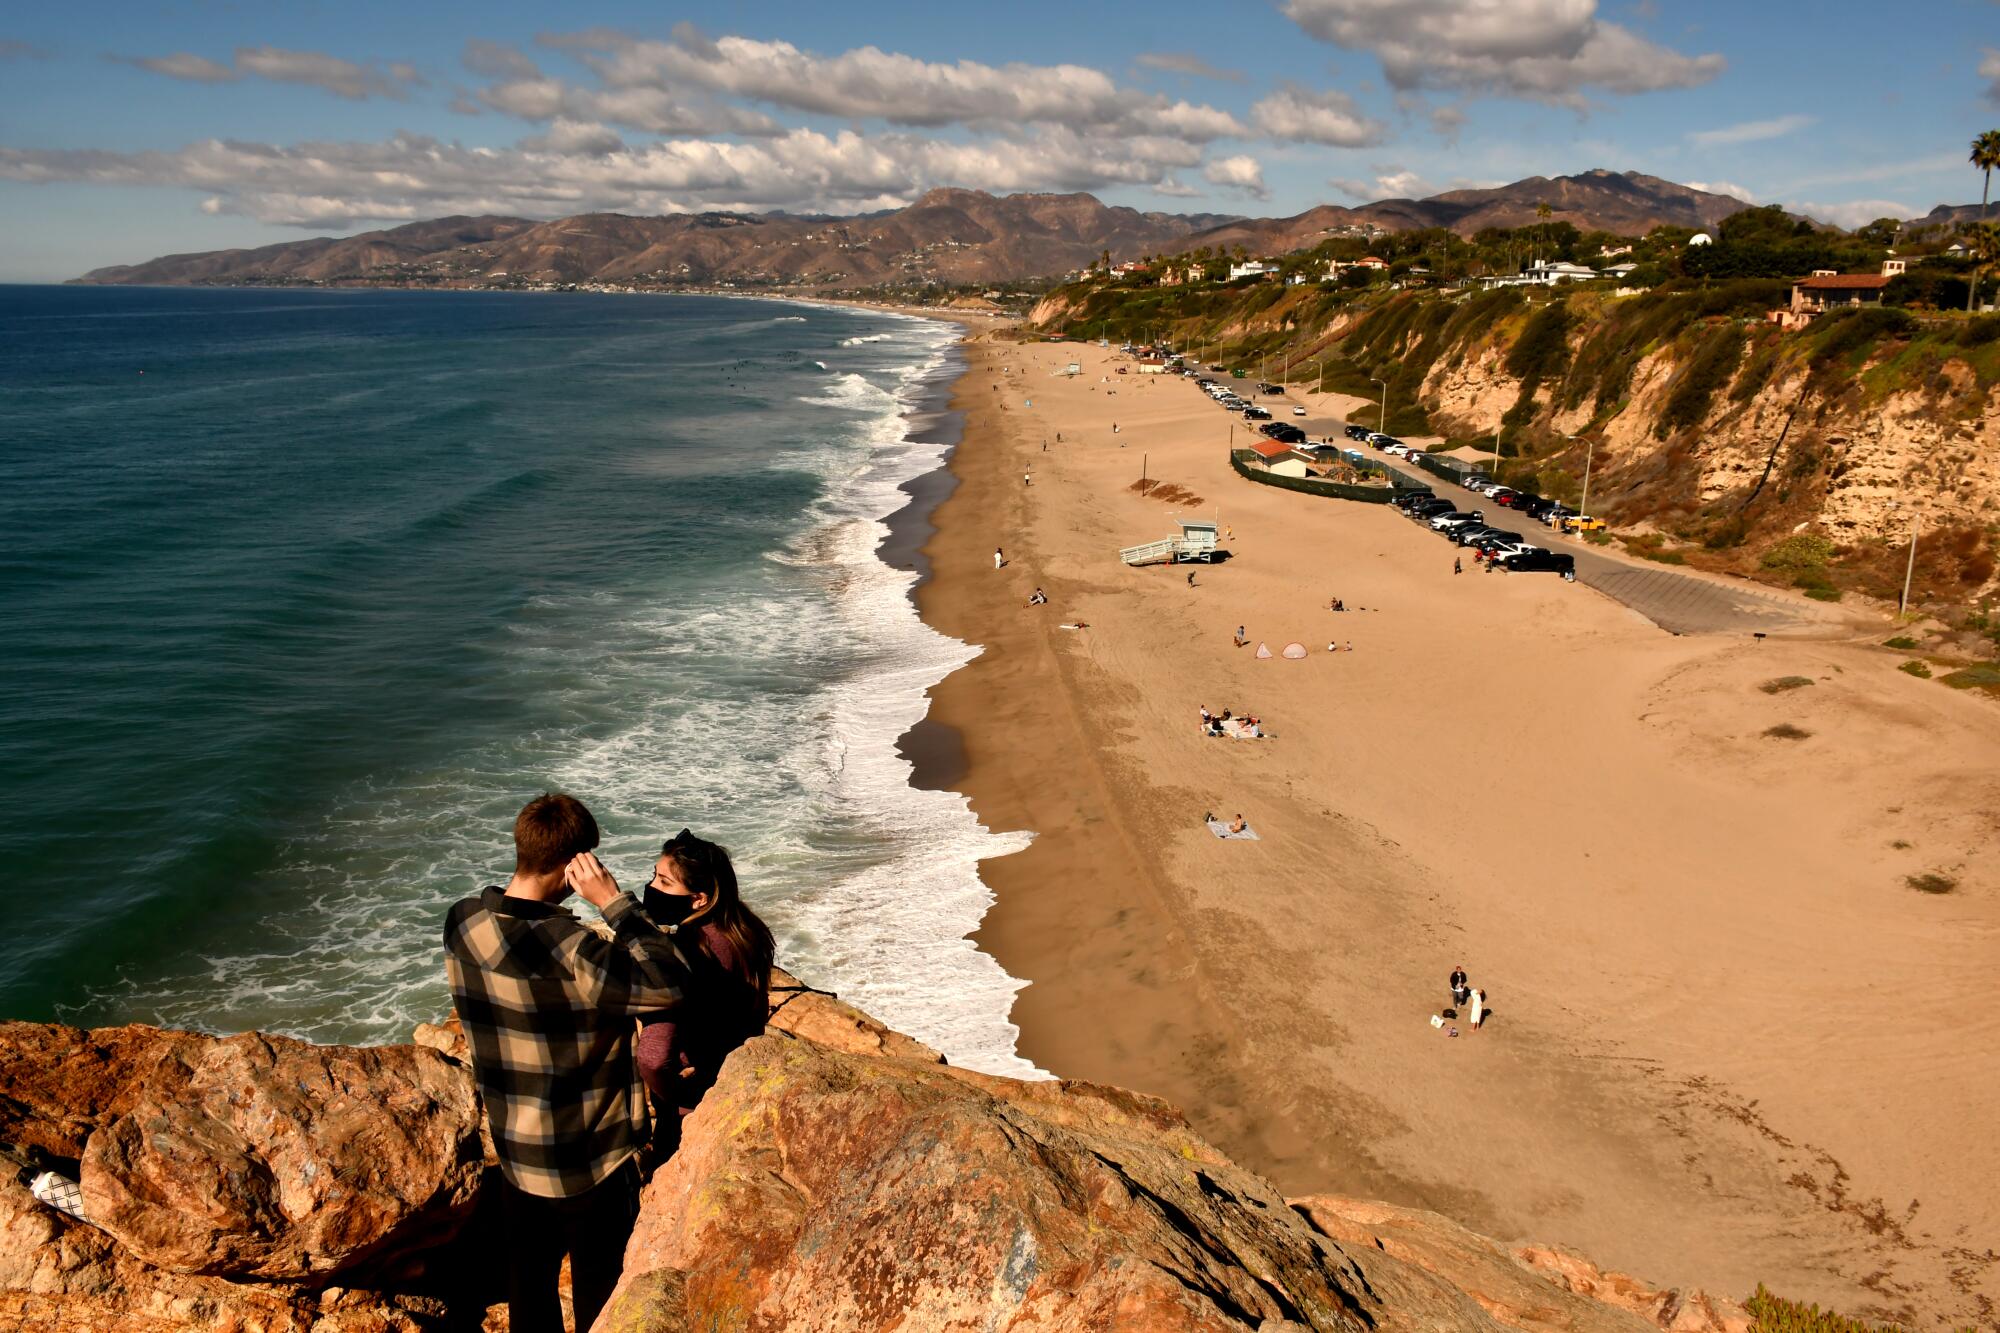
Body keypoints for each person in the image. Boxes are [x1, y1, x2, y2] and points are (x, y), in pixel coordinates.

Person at [443, 794, 699, 1333]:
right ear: (575, 865)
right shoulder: (577, 951)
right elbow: (671, 986)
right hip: (591, 1161)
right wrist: (614, 904)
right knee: (601, 1294)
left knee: (529, 1290)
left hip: (516, 1149)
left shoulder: (463, 922)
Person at [636, 830, 775, 1166]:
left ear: (698, 899)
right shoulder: (745, 930)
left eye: (665, 882)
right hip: (736, 1083)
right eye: (654, 875)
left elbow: (653, 1059)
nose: (653, 888)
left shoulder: (691, 950)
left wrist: (680, 1095)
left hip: (691, 1105)